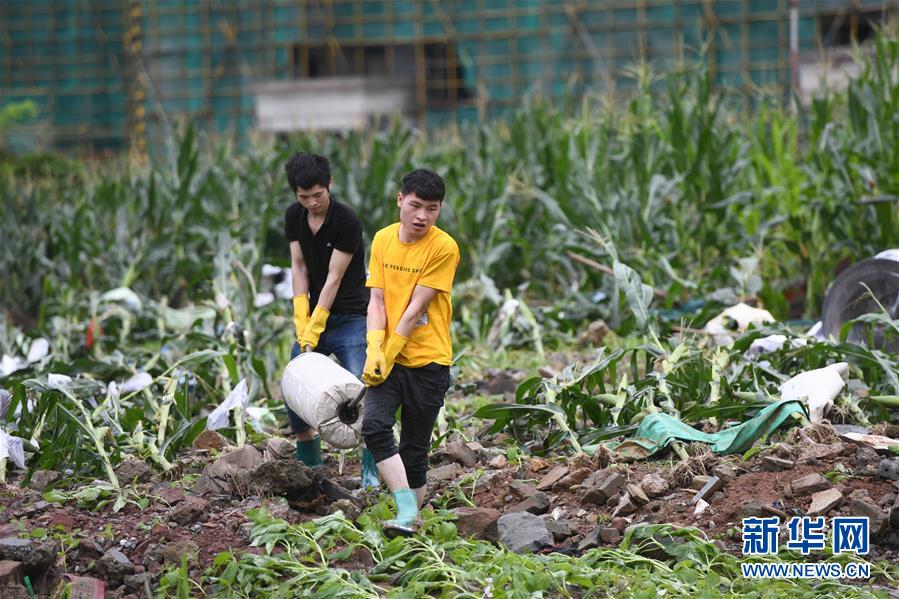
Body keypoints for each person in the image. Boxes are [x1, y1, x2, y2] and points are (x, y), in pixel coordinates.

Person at [361, 168, 460, 536]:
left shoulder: (443, 247)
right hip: (388, 356)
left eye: (431, 209)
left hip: (428, 361)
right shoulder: (383, 240)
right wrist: (374, 349)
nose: (422, 216)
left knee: (415, 448)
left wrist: (389, 351)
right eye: (416, 205)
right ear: (400, 200)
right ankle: (405, 508)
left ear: (439, 209)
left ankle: (410, 526)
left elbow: (415, 308)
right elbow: (377, 299)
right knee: (373, 426)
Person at [283, 152, 379, 489]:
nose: (311, 203)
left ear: (329, 185)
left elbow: (334, 278)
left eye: (317, 195)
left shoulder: (346, 221)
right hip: (313, 314)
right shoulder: (295, 217)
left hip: (351, 315)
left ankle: (371, 464)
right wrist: (301, 315)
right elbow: (299, 267)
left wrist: (318, 319)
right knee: (294, 377)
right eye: (303, 196)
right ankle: (308, 455)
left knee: (360, 385)